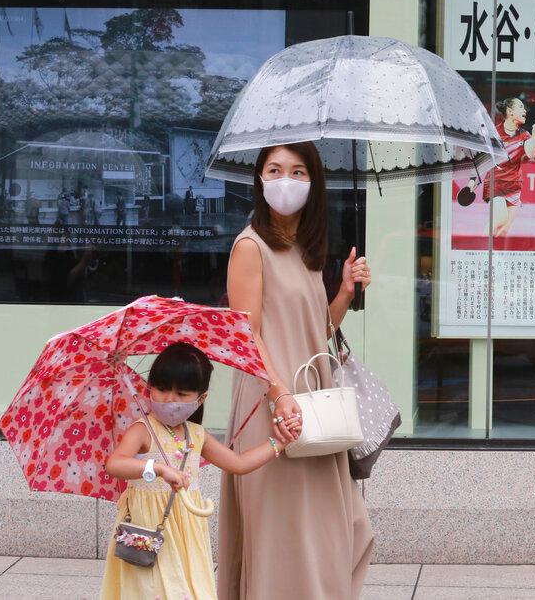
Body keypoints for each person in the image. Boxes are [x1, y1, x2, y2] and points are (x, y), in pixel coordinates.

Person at [220, 141, 373, 599]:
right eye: (274, 169)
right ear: (260, 179)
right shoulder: (250, 246)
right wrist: (279, 395)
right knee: (282, 536)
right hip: (273, 406)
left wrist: (344, 291)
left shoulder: (305, 249)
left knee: (338, 529)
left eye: (298, 171)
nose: (285, 180)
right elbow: (246, 335)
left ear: (314, 182)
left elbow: (313, 331)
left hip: (315, 406)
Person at [101, 343, 286, 600]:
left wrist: (279, 443)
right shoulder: (143, 429)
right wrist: (157, 468)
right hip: (148, 528)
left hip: (186, 530)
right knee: (151, 590)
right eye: (162, 389)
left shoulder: (196, 434)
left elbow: (239, 463)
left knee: (186, 588)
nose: (170, 400)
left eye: (182, 393)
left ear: (201, 398)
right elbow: (115, 464)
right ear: (148, 387)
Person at [468, 97, 535, 238]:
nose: (525, 110)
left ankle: (494, 257)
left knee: (504, 231)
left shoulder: (525, 135)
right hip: (496, 182)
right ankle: (480, 248)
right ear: (510, 111)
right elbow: (481, 159)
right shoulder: (494, 133)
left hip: (514, 185)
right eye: (520, 107)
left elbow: (531, 154)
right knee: (500, 218)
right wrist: (472, 181)